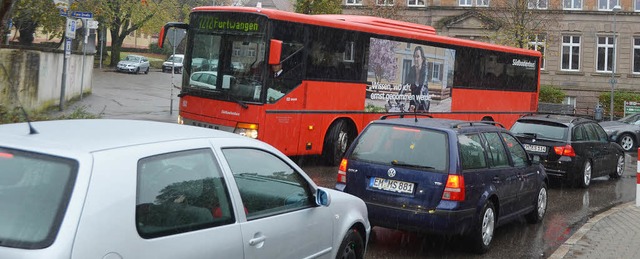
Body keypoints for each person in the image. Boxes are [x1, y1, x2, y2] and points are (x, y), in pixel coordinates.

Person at [405, 46, 430, 112]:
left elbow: (422, 86)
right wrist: (399, 96)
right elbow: (405, 84)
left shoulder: (425, 70)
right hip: (413, 101)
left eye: (418, 56)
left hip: (422, 102)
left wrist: (416, 103)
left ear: (422, 58)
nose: (416, 59)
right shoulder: (412, 69)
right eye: (414, 56)